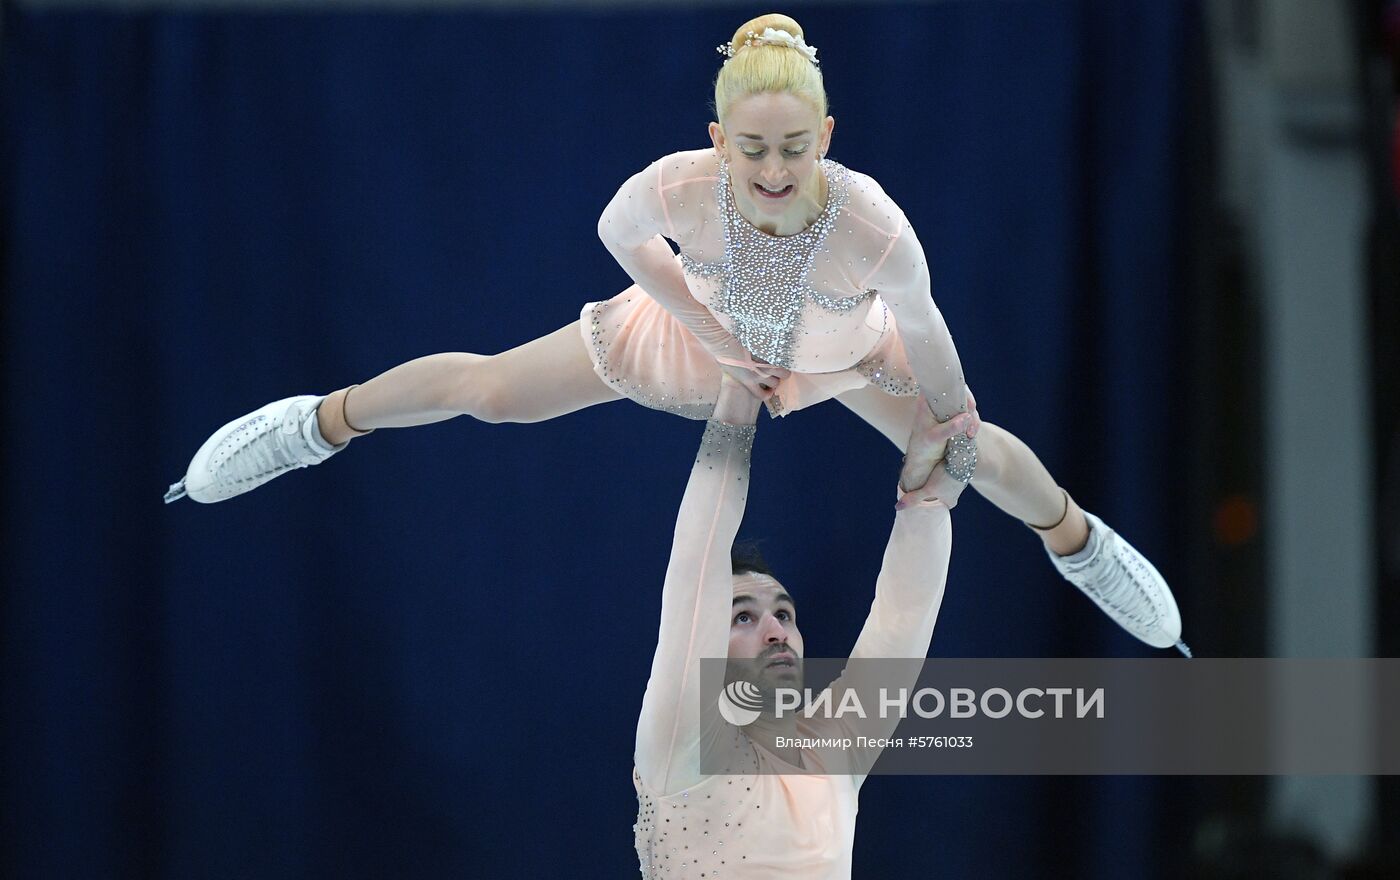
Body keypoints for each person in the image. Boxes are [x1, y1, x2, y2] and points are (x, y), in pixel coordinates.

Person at [163, 13, 1185, 653]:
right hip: (685, 339)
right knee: (490, 394)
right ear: (716, 142)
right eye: (752, 151)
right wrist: (705, 321)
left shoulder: (870, 223)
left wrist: (949, 410)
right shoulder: (683, 186)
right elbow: (615, 231)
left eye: (793, 149)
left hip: (836, 350)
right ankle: (320, 423)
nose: (774, 170)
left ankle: (1077, 540)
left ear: (824, 137)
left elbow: (926, 324)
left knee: (968, 443)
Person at [633, 374, 959, 878]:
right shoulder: (683, 748)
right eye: (744, 615)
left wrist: (927, 496)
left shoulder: (833, 748)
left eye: (784, 614)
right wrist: (738, 394)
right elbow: (697, 567)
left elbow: (900, 623)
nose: (776, 631)